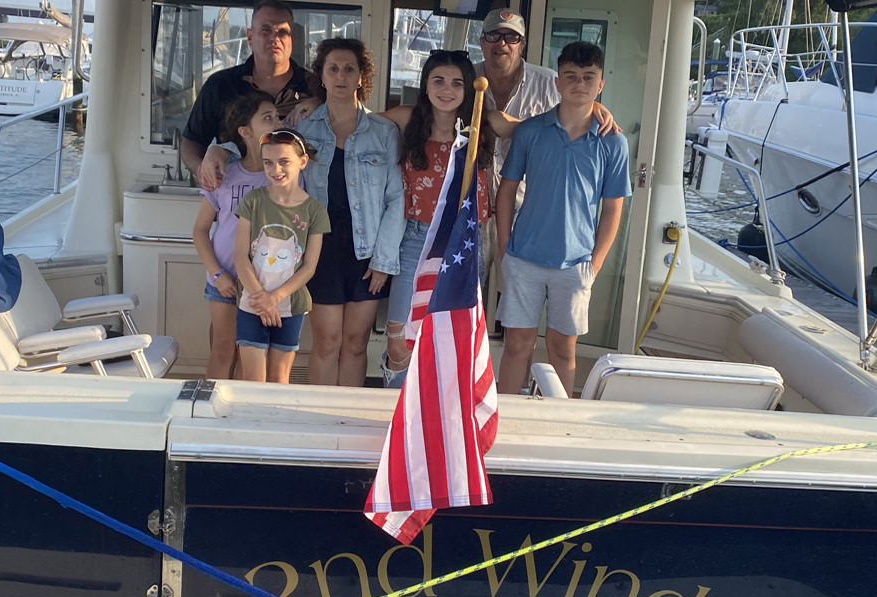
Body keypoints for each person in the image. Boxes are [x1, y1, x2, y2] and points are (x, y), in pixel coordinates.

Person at [207, 37, 404, 387]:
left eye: (349, 69)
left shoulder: (384, 132)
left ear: (361, 76)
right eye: (333, 69)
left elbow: (396, 199)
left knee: (357, 344)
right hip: (319, 248)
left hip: (367, 250)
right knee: (327, 343)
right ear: (322, 76)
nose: (341, 76)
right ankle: (323, 424)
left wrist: (383, 261)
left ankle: (345, 419)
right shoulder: (302, 126)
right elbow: (257, 144)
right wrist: (219, 151)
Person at [495, 41, 631, 396]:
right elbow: (507, 189)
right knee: (516, 345)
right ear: (557, 81)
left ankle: (558, 420)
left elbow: (613, 208)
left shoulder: (613, 143)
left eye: (589, 77)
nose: (579, 83)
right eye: (570, 75)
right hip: (523, 258)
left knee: (563, 349)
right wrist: (504, 246)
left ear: (600, 84)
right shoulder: (530, 131)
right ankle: (508, 416)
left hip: (575, 265)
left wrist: (595, 263)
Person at [381, 50, 494, 388]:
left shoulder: (484, 124)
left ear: (469, 90)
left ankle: (440, 414)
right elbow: (351, 120)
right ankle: (395, 410)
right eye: (439, 81)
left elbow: (541, 124)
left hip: (465, 241)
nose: (447, 89)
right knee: (399, 335)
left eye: (457, 83)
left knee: (454, 334)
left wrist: (595, 108)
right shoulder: (406, 118)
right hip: (417, 237)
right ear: (425, 86)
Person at [192, 93, 279, 379]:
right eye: (268, 118)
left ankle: (242, 414)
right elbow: (200, 231)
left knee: (251, 355)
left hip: (262, 285)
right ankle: (209, 414)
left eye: (277, 117)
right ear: (245, 131)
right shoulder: (224, 174)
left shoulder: (284, 176)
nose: (277, 122)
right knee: (223, 348)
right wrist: (217, 274)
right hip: (224, 281)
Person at [232, 130, 328, 384]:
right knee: (253, 380)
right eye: (268, 163)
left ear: (302, 162)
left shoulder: (315, 211)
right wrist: (261, 299)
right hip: (252, 303)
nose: (276, 169)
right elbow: (240, 256)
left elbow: (309, 267)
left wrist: (274, 298)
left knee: (278, 380)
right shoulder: (252, 201)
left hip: (290, 305)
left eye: (284, 161)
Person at [183, 0, 312, 188]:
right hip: (236, 207)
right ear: (250, 37)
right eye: (266, 30)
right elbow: (191, 141)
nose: (274, 38)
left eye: (282, 32)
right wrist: (202, 169)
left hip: (297, 209)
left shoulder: (315, 88)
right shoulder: (220, 85)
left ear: (293, 38)